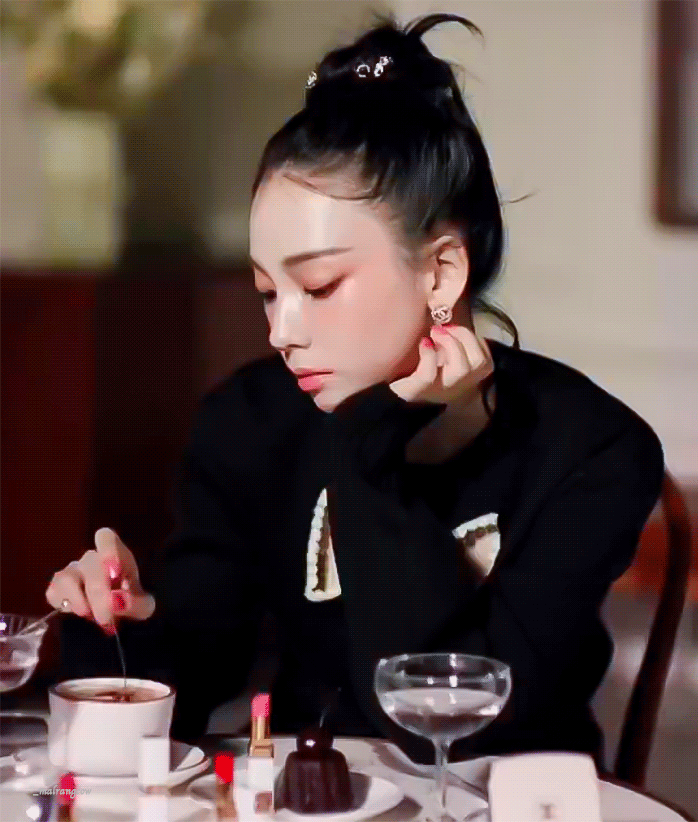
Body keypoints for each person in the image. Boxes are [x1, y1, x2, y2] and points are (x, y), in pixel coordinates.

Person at [46, 12, 664, 770]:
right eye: (267, 292)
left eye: (318, 285)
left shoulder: (590, 449)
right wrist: (120, 624)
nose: (281, 332)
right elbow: (192, 695)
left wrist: (369, 447)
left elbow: (456, 731)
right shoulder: (251, 420)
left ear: (441, 272)